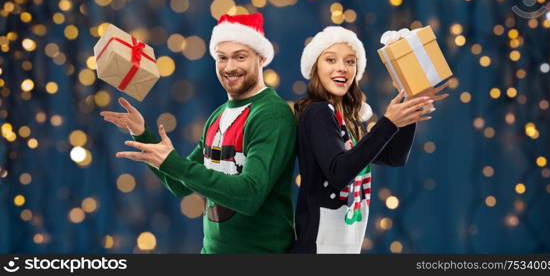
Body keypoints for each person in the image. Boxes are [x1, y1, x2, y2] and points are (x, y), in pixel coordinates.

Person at [100, 13, 296, 253]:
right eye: (222, 58)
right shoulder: (219, 115)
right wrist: (142, 134)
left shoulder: (271, 115)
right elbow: (180, 184)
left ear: (261, 58)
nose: (230, 67)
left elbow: (249, 195)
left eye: (240, 57)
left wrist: (174, 163)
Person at [290, 26, 449, 253]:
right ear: (315, 67)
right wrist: (389, 122)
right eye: (330, 60)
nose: (341, 68)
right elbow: (338, 173)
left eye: (350, 61)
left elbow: (394, 157)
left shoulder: (347, 118)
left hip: (344, 244)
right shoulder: (318, 112)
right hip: (318, 245)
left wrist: (408, 108)